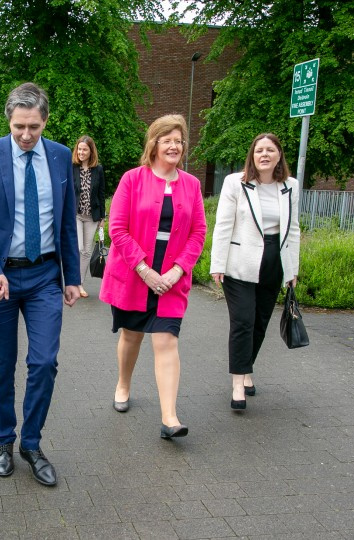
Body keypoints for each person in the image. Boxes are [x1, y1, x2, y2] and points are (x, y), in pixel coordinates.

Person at [0, 82, 80, 487]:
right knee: (0, 366)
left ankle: (31, 443)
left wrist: (73, 278)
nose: (26, 135)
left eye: (33, 126)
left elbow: (66, 222)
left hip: (46, 275)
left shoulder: (61, 156)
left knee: (44, 362)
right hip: (1, 277)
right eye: (19, 127)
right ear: (9, 122)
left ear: (45, 121)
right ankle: (3, 441)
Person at [98, 114, 206, 439]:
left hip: (171, 281)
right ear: (154, 144)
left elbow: (198, 232)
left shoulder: (192, 185)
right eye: (167, 139)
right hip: (135, 276)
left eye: (179, 140)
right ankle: (123, 383)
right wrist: (145, 270)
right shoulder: (132, 179)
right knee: (132, 336)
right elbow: (116, 229)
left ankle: (170, 418)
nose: (174, 145)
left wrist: (176, 272)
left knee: (167, 341)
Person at [210, 133, 300, 410]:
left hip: (274, 262)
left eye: (270, 150)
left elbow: (293, 229)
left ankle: (247, 369)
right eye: (259, 150)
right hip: (240, 262)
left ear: (278, 156)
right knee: (243, 321)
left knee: (261, 321)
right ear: (252, 155)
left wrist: (292, 269)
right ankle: (238, 384)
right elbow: (223, 224)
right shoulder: (235, 183)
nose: (264, 154)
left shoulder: (291, 186)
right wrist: (217, 263)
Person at [72, 135, 106, 297]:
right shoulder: (72, 167)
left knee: (86, 251)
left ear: (91, 151)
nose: (81, 152)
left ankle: (79, 284)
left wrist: (103, 218)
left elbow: (101, 193)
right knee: (78, 248)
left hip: (92, 216)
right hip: (76, 215)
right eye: (79, 149)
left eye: (85, 149)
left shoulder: (98, 169)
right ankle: (71, 280)